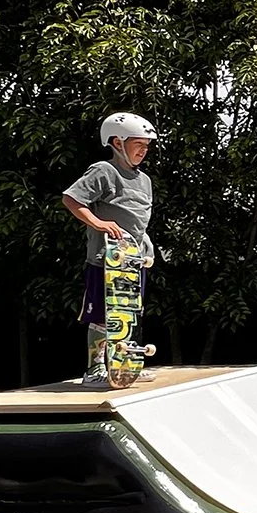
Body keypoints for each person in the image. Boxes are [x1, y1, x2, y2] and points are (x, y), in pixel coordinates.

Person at [62, 111, 158, 387]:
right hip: (105, 259)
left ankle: (124, 365)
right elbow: (71, 198)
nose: (144, 150)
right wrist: (98, 222)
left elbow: (137, 220)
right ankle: (94, 370)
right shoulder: (104, 171)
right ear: (117, 143)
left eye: (146, 145)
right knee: (103, 315)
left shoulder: (144, 180)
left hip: (132, 259)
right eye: (138, 144)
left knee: (126, 314)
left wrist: (146, 245)